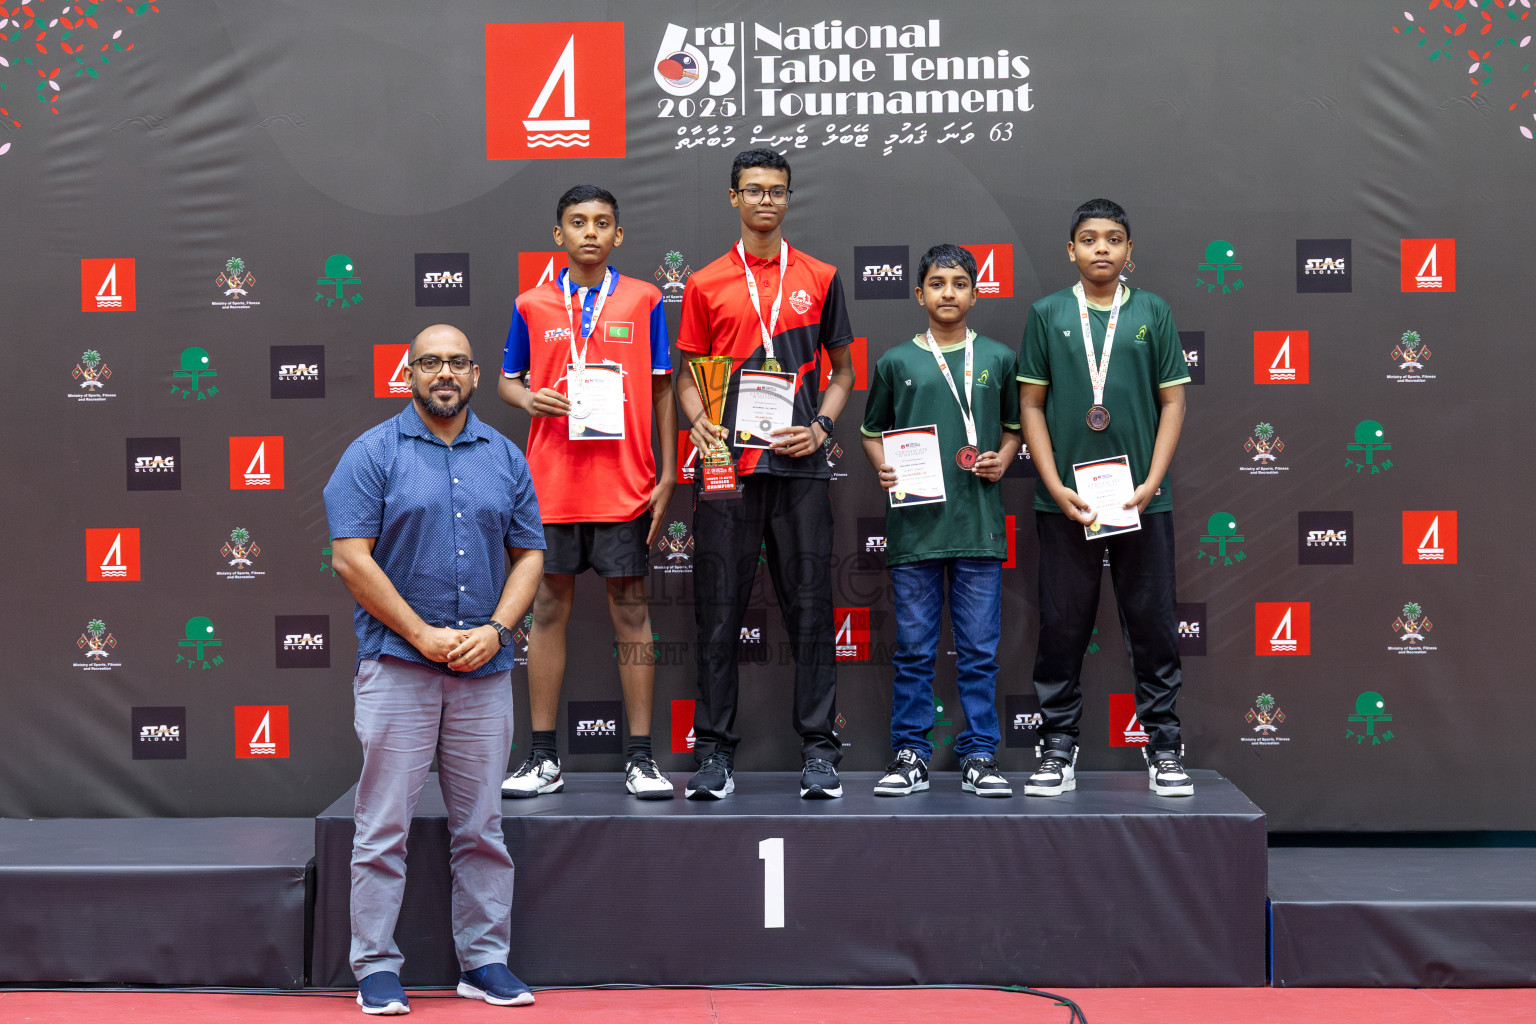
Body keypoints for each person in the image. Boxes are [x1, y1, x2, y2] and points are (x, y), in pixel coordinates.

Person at [324, 324, 544, 1013]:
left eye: (455, 363)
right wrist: (420, 633)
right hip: (397, 666)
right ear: (409, 373)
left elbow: (531, 554)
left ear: (476, 375)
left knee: (482, 827)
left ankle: (484, 962)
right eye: (429, 363)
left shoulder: (504, 457)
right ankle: (376, 968)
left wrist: (498, 630)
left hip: (484, 669)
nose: (442, 373)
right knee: (382, 826)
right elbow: (350, 559)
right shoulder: (371, 454)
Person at [674, 148, 856, 799]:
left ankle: (818, 752)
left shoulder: (820, 275)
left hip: (801, 469)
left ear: (787, 198)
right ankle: (716, 755)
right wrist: (698, 422)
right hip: (727, 470)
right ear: (734, 198)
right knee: (717, 614)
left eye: (776, 191)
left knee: (811, 610)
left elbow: (843, 373)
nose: (765, 201)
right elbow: (689, 376)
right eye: (753, 190)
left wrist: (823, 427)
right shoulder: (705, 283)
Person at [497, 184, 676, 801]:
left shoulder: (645, 299)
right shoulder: (532, 303)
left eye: (602, 223)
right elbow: (506, 379)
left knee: (631, 613)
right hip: (549, 488)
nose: (590, 232)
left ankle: (641, 759)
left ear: (618, 235)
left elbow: (660, 390)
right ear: (559, 234)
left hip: (626, 485)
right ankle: (542, 757)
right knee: (546, 613)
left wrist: (669, 474)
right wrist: (529, 398)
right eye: (577, 222)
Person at [1016, 198, 1193, 798]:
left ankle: (1165, 744)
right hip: (1068, 503)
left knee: (1153, 624)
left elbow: (1173, 402)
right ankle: (1057, 745)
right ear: (1071, 250)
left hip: (1142, 500)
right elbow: (1032, 405)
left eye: (1113, 239)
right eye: (1088, 239)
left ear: (1128, 251)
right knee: (1063, 626)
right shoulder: (1046, 313)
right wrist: (1052, 484)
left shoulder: (1153, 312)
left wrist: (1150, 484)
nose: (1100, 249)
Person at [860, 244, 1022, 798]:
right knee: (914, 651)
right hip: (915, 530)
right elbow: (871, 430)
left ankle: (980, 754)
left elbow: (1013, 425)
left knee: (979, 651)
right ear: (919, 293)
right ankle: (911, 753)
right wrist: (884, 467)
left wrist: (1005, 454)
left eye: (958, 283)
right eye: (936, 283)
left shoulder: (998, 357)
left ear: (975, 293)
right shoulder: (895, 361)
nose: (948, 292)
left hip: (978, 528)